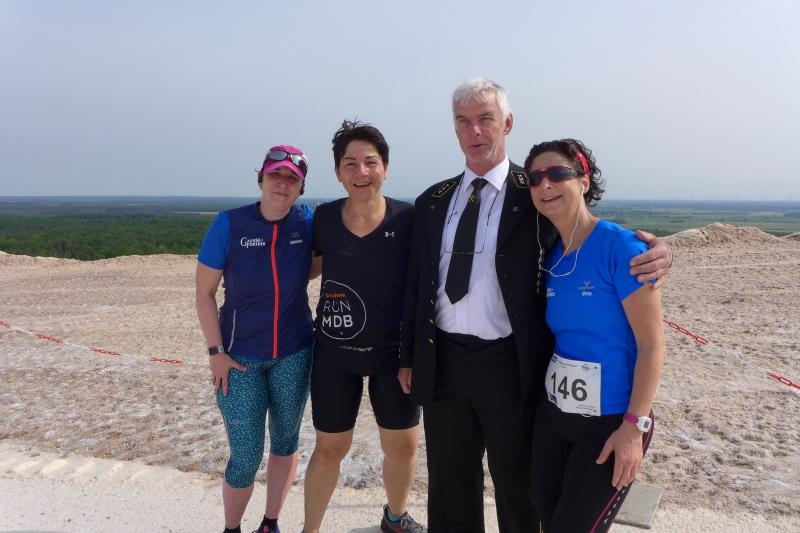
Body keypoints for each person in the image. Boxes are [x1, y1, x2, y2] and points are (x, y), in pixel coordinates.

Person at [398, 78, 672, 532]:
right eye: (463, 121)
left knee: (517, 485)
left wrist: (660, 252)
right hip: (442, 360)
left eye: (486, 119)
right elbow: (417, 283)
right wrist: (408, 354)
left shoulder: (535, 192)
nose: (475, 131)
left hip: (510, 362)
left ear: (507, 123)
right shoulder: (432, 200)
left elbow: (585, 230)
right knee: (449, 484)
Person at [526, 139, 664, 532]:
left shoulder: (622, 248)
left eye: (558, 173)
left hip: (612, 421)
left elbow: (652, 345)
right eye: (535, 178)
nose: (545, 184)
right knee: (548, 517)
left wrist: (633, 427)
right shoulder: (549, 254)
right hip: (554, 416)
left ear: (584, 181)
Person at [302, 121, 425, 533]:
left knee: (402, 447)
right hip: (334, 354)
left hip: (393, 355)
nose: (361, 172)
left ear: (385, 168)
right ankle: (310, 529)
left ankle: (395, 518)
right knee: (329, 450)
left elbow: (424, 284)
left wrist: (414, 354)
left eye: (370, 162)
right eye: (350, 163)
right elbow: (303, 267)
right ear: (338, 172)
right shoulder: (323, 218)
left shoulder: (409, 219)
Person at [195, 145, 314, 533]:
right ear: (261, 178)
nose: (282, 183)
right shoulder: (229, 224)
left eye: (292, 178)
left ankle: (270, 523)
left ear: (301, 187)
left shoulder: (308, 223)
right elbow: (204, 293)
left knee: (285, 442)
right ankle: (231, 528)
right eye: (276, 174)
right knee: (245, 456)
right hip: (239, 358)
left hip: (295, 352)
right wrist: (215, 353)